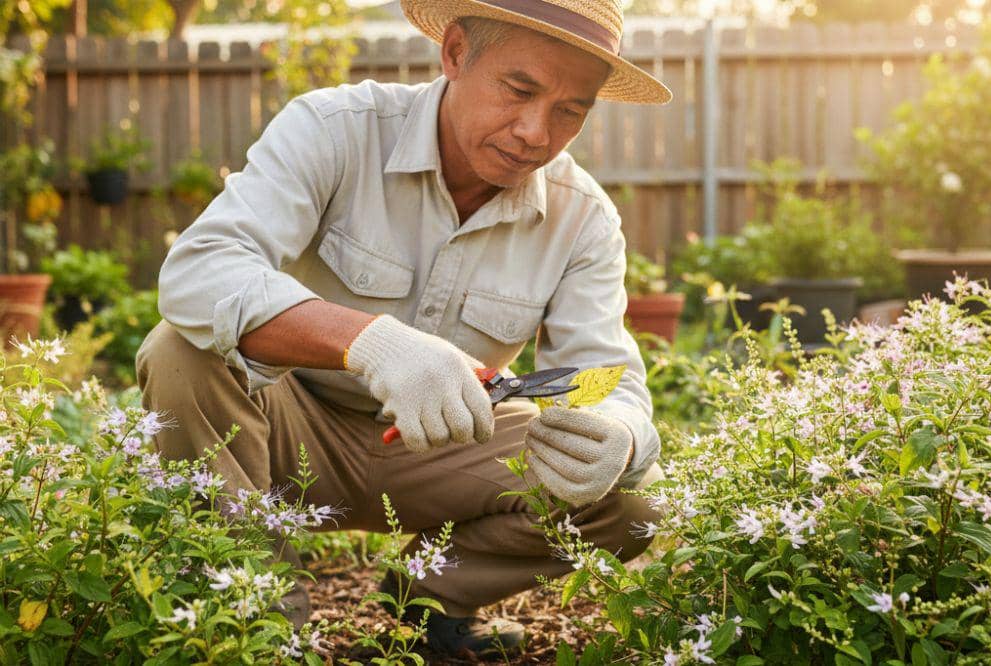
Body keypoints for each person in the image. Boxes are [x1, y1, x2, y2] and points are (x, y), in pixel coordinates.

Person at [136, 0, 673, 658]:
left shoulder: (583, 218)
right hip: (291, 427)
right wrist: (373, 344)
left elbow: (608, 377)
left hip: (452, 446)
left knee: (634, 507)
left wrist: (617, 436)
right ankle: (259, 621)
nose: (537, 131)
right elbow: (200, 272)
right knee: (179, 353)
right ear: (454, 54)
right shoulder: (335, 129)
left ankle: (428, 596)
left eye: (572, 109)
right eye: (520, 89)